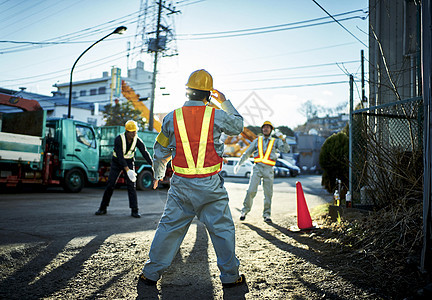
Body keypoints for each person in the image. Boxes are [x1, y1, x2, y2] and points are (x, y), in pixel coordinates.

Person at [139, 69, 246, 288]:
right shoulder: (216, 114)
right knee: (222, 229)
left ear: (187, 92)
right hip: (210, 186)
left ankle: (150, 274)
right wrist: (224, 102)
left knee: (168, 228)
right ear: (208, 94)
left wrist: (159, 174)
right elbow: (238, 126)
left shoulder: (172, 117)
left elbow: (160, 149)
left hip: (181, 186)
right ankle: (230, 277)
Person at [95, 120, 152, 218]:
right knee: (110, 184)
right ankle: (102, 208)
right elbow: (120, 156)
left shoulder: (137, 140)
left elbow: (144, 152)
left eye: (135, 131)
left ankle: (135, 210)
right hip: (117, 162)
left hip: (129, 162)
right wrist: (127, 170)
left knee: (131, 186)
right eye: (132, 131)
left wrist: (152, 164)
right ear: (127, 131)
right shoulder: (118, 139)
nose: (134, 133)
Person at [235, 121, 290, 223]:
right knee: (251, 191)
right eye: (264, 127)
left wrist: (283, 139)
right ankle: (244, 211)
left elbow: (286, 150)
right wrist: (239, 163)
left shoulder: (276, 141)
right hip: (257, 168)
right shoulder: (257, 140)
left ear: (271, 130)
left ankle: (267, 215)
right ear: (262, 129)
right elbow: (248, 152)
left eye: (268, 127)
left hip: (269, 170)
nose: (266, 129)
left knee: (268, 193)